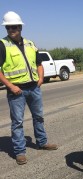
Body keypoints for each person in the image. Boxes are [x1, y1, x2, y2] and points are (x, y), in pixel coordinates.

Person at [0, 11, 58, 165]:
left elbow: (39, 64)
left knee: (38, 117)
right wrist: (11, 86)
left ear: (20, 27)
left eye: (14, 27)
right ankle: (20, 152)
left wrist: (40, 79)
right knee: (17, 122)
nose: (11, 29)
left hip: (34, 88)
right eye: (8, 27)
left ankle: (42, 142)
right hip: (16, 91)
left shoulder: (30, 44)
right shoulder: (2, 45)